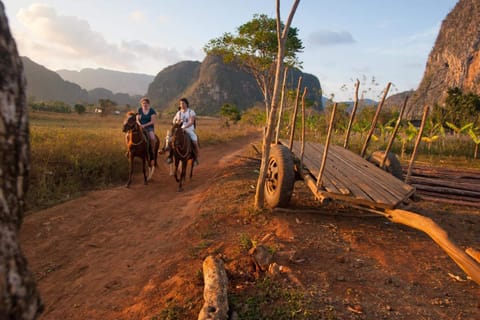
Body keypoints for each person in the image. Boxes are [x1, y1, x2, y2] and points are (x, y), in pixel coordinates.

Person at [167, 97, 200, 165]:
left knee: (194, 140)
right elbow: (174, 122)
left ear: (187, 104)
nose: (182, 105)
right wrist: (177, 123)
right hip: (179, 129)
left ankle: (195, 157)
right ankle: (170, 156)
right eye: (181, 104)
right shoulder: (178, 113)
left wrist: (184, 127)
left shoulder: (191, 112)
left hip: (189, 128)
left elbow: (191, 122)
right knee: (170, 139)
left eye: (183, 103)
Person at [136, 97, 157, 166]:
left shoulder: (152, 111)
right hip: (140, 127)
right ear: (141, 104)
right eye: (143, 103)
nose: (144, 104)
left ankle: (152, 150)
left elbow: (152, 121)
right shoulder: (139, 110)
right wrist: (140, 125)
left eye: (146, 103)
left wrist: (144, 125)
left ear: (148, 104)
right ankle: (130, 150)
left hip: (149, 127)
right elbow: (137, 120)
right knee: (130, 135)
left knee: (152, 138)